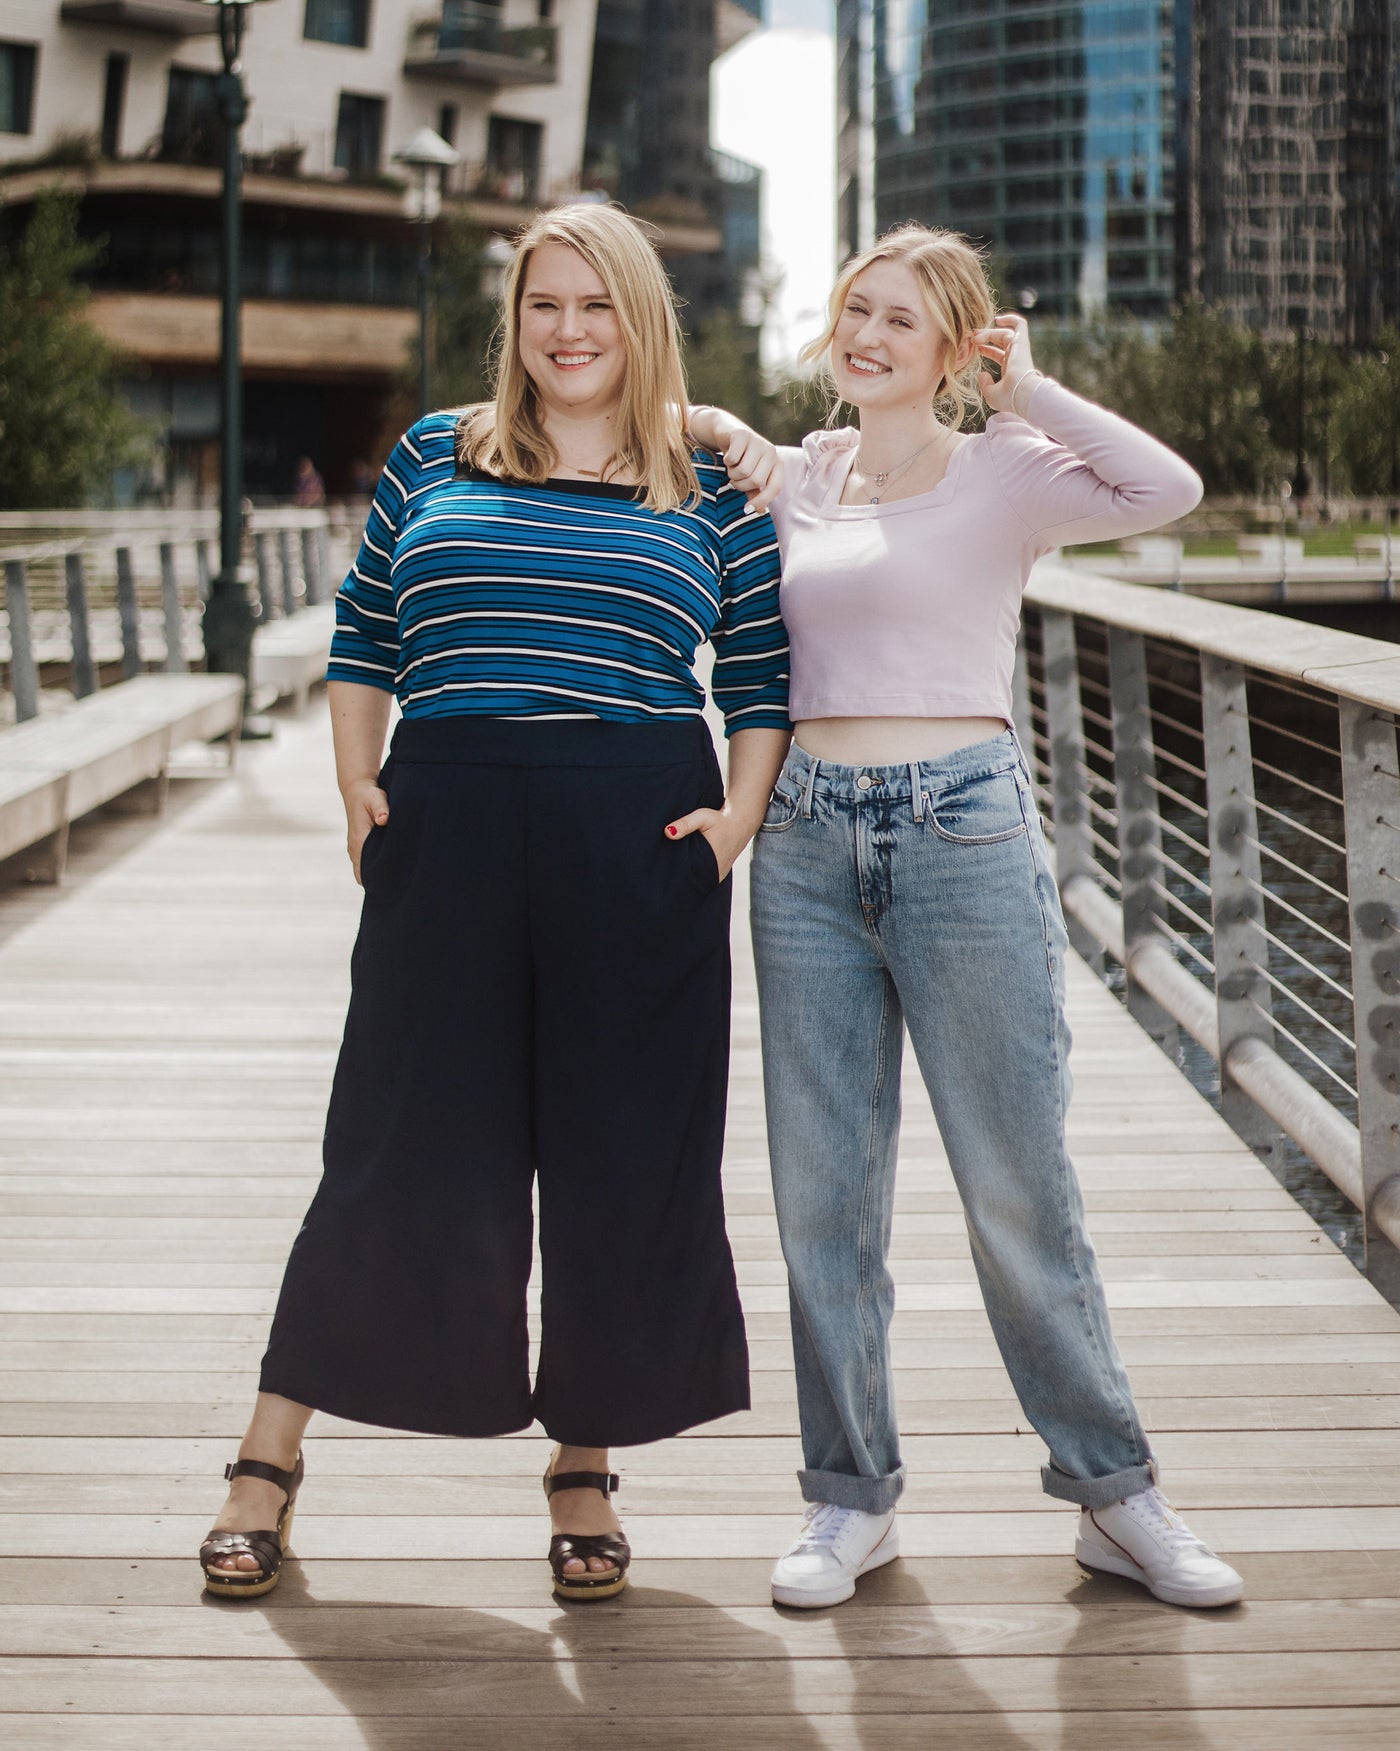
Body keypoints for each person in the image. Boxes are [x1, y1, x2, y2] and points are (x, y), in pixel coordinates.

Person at [199, 203, 791, 1604]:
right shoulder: (433, 452)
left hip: (635, 829)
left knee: (619, 1149)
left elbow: (762, 668)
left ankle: (584, 1467)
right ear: (514, 321)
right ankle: (267, 1459)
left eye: (596, 305)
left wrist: (738, 821)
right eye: (544, 306)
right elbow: (364, 635)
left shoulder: (713, 480)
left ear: (638, 317)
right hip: (448, 815)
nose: (569, 331)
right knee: (393, 1139)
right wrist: (356, 784)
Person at [691, 224, 1245, 1613]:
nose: (871, 335)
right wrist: (703, 415)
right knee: (824, 1194)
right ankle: (847, 1499)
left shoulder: (1007, 474)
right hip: (807, 842)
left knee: (1016, 1190)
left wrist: (1029, 391)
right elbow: (659, 469)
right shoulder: (796, 474)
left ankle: (1115, 1497)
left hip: (964, 834)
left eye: (906, 320)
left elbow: (1165, 486)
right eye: (857, 311)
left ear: (953, 349)